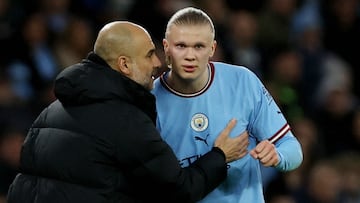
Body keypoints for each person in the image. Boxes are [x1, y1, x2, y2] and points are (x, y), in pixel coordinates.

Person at [6, 21, 250, 203]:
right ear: (124, 65)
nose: (157, 63)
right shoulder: (125, 120)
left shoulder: (48, 114)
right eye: (149, 54)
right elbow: (179, 190)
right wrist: (220, 156)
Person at [152, 7, 303, 203]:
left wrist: (278, 156)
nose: (190, 55)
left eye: (199, 46)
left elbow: (292, 149)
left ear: (212, 49)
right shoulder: (150, 99)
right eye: (181, 46)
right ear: (166, 47)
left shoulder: (242, 81)